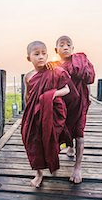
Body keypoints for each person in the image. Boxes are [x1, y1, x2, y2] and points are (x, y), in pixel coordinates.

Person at [21, 41, 71, 188]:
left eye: (43, 53)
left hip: (52, 111)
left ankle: (52, 160)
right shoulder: (28, 76)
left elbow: (66, 89)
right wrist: (27, 113)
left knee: (51, 138)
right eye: (36, 54)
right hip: (34, 114)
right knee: (33, 141)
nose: (41, 57)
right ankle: (38, 173)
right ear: (29, 58)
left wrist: (51, 95)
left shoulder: (54, 70)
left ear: (48, 55)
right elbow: (27, 95)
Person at [53, 35, 95, 184]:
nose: (65, 47)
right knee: (63, 128)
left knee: (79, 133)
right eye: (62, 45)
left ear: (72, 48)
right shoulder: (54, 66)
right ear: (56, 49)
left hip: (79, 103)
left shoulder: (81, 61)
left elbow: (89, 79)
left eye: (68, 45)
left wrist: (87, 100)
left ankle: (78, 167)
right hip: (63, 104)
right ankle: (67, 147)